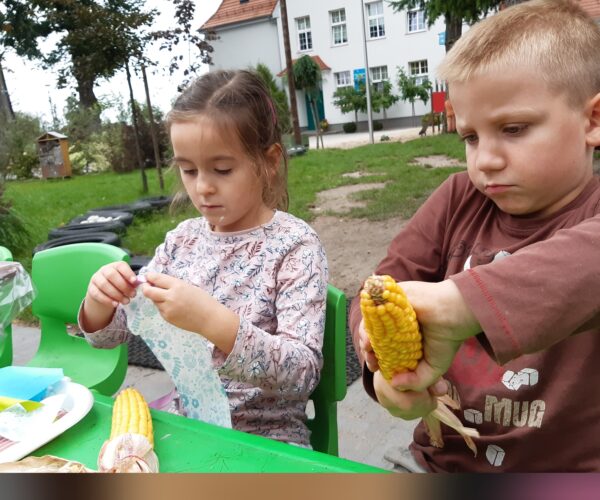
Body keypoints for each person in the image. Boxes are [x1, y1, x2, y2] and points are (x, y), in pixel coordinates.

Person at [350, 0, 600, 472]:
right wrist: (382, 368)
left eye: (513, 129)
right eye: (470, 137)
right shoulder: (458, 198)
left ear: (592, 121)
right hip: (437, 461)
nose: (485, 159)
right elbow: (384, 285)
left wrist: (457, 305)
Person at [79, 70, 328, 447]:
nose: (202, 186)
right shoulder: (182, 242)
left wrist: (213, 321)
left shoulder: (294, 247)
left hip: (268, 438)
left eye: (222, 169)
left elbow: (302, 372)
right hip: (189, 423)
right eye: (188, 170)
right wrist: (100, 300)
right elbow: (112, 335)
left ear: (270, 161)